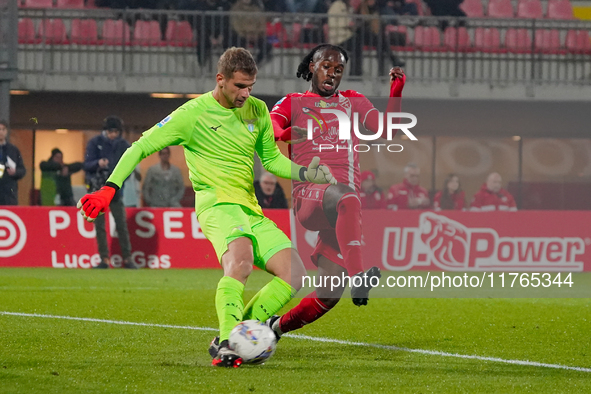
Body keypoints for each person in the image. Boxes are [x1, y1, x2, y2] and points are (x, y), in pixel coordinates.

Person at [77, 47, 336, 368]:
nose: (246, 94)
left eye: (251, 86)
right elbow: (140, 147)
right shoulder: (192, 114)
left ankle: (243, 332)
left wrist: (305, 172)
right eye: (240, 86)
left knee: (295, 273)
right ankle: (229, 341)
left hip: (250, 209)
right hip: (217, 207)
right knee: (239, 264)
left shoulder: (256, 110)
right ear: (221, 79)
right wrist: (108, 189)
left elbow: (270, 159)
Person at [268, 44, 406, 339]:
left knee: (329, 293)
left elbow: (387, 131)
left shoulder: (353, 101)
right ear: (311, 68)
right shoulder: (293, 102)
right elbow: (271, 126)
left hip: (344, 208)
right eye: (326, 67)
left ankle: (274, 328)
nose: (332, 73)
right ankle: (360, 277)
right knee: (346, 195)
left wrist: (396, 92)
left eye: (339, 69)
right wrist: (283, 134)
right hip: (311, 195)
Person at [83, 116, 135, 269]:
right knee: (100, 226)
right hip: (98, 190)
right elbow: (86, 164)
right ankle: (104, 259)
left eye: (116, 132)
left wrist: (120, 182)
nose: (113, 135)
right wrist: (97, 164)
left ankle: (127, 258)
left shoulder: (123, 145)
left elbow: (129, 166)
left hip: (115, 191)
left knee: (121, 225)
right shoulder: (94, 143)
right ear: (105, 130)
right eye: (111, 131)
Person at [358, 0, 405, 70]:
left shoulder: (376, 9)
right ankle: (393, 59)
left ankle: (384, 69)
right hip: (363, 35)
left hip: (374, 35)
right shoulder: (362, 8)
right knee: (381, 42)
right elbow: (362, 22)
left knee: (381, 43)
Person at [228, 0, 273, 66]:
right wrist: (246, 34)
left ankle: (255, 63)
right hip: (242, 35)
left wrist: (256, 34)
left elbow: (261, 23)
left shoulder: (256, 9)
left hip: (255, 35)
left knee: (267, 45)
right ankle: (241, 65)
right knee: (239, 44)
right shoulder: (235, 9)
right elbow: (235, 25)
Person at [328, 0, 363, 76]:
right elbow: (332, 21)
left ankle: (356, 72)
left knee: (358, 42)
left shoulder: (350, 8)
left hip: (347, 36)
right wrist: (347, 24)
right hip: (338, 38)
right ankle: (355, 72)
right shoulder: (336, 5)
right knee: (356, 43)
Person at [0, 120, 26, 206]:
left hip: (9, 193)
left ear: (6, 131)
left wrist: (15, 172)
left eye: (3, 129)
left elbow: (22, 170)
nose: (1, 132)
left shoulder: (13, 150)